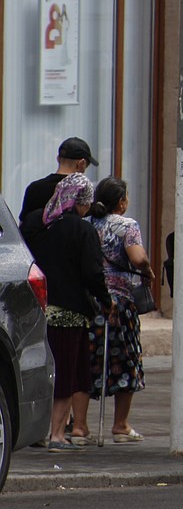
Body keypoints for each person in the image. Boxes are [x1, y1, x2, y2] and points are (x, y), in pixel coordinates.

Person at [19, 173, 113, 453]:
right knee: (65, 372)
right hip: (69, 313)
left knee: (37, 370)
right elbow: (93, 273)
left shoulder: (35, 223)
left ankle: (36, 431)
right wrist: (106, 300)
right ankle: (57, 434)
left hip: (35, 310)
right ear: (81, 202)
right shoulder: (81, 230)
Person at [68, 177, 153, 445]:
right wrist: (148, 271)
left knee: (84, 361)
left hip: (88, 303)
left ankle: (79, 427)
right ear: (121, 202)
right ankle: (120, 425)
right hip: (119, 305)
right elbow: (138, 258)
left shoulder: (85, 225)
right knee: (124, 359)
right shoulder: (127, 226)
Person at [21, 136, 98, 218]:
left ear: (58, 159)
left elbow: (22, 225)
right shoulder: (83, 192)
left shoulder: (34, 189)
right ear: (81, 164)